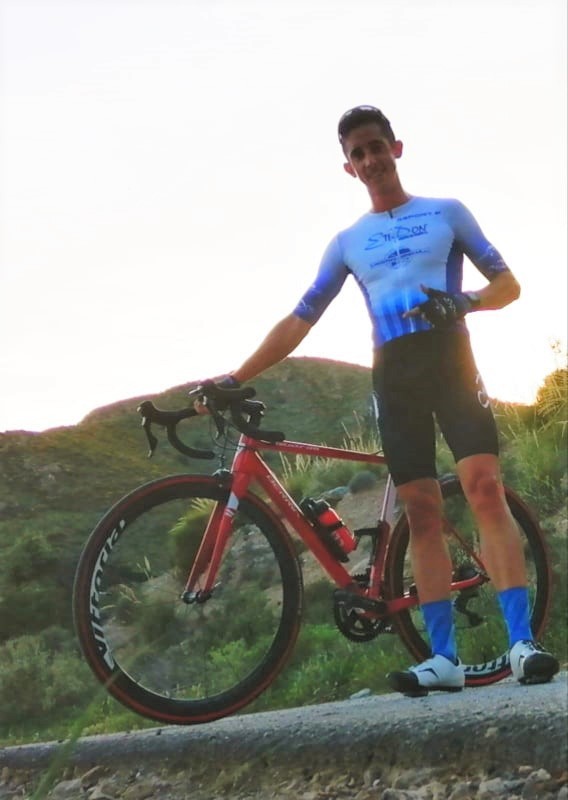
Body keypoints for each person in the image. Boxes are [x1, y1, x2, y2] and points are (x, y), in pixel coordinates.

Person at [200, 105, 559, 695]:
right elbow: (300, 320)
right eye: (358, 154)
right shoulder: (348, 242)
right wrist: (235, 376)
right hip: (395, 376)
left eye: (376, 147)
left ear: (396, 148)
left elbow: (508, 285)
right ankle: (443, 658)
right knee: (420, 509)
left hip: (452, 361)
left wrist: (464, 302)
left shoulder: (446, 212)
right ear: (349, 168)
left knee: (484, 488)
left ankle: (522, 642)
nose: (370, 160)